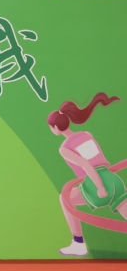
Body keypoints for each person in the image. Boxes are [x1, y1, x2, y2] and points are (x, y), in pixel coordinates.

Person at [48, 93, 127, 257]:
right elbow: (100, 160)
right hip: (113, 180)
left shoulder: (64, 148)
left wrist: (100, 187)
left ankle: (78, 243)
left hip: (96, 181)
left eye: (51, 126)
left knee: (65, 198)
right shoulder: (86, 134)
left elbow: (86, 164)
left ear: (55, 127)